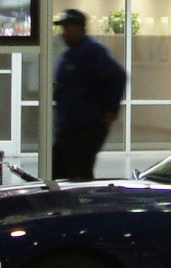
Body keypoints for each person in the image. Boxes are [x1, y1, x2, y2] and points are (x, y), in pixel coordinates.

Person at [52, 9, 127, 180]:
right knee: (59, 173)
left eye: (67, 28)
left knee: (78, 173)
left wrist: (110, 111)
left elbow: (118, 76)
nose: (63, 33)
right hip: (67, 129)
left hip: (86, 129)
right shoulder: (69, 55)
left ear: (79, 28)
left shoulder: (92, 51)